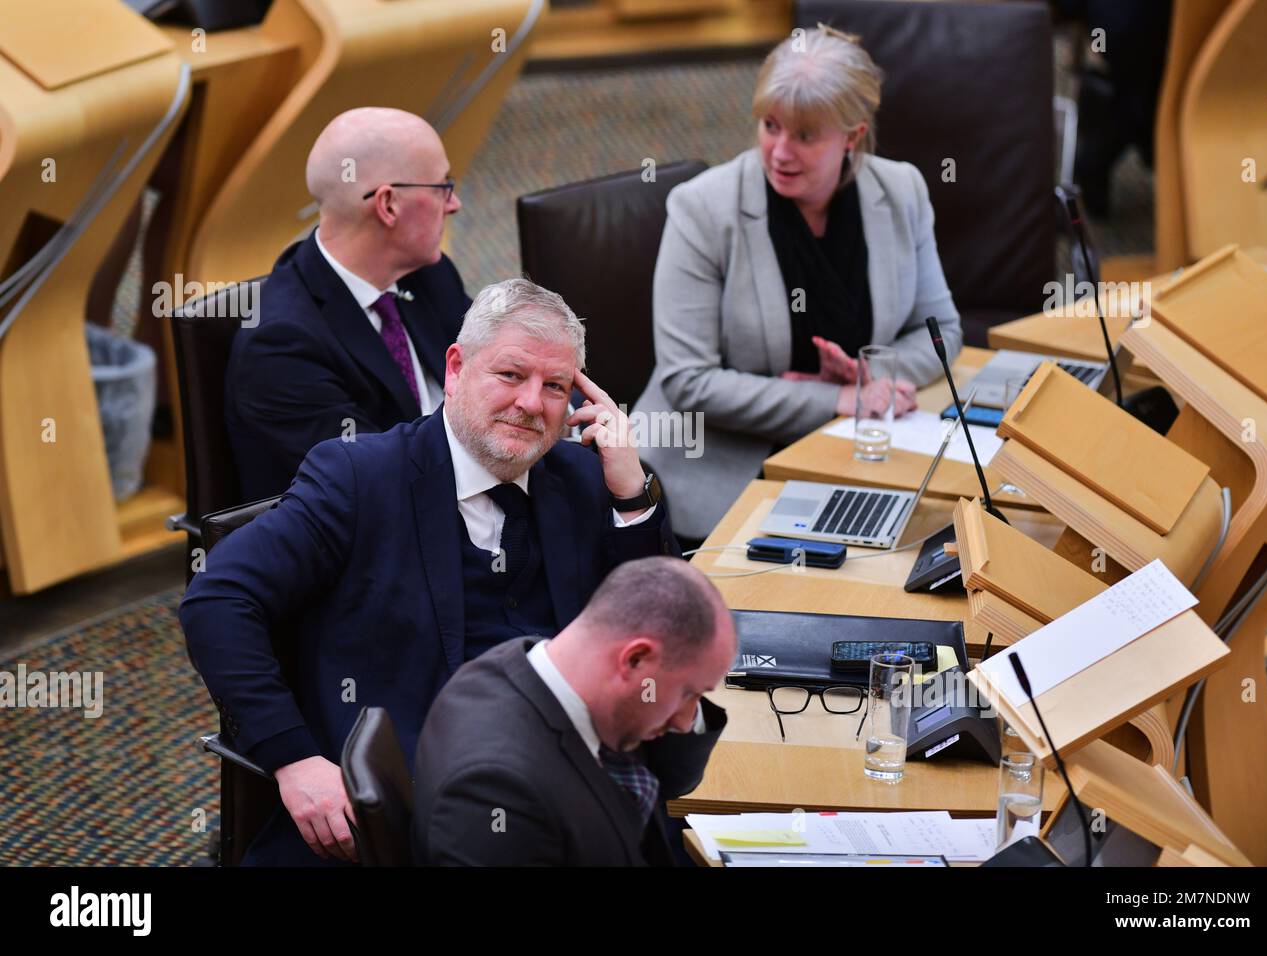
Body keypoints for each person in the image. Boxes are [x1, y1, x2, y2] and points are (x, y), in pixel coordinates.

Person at [179, 278, 678, 866]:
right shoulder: (359, 478)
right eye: (511, 375)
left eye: (556, 387)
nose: (530, 403)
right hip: (412, 809)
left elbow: (659, 636)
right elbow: (218, 599)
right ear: (457, 367)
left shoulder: (580, 479)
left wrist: (631, 494)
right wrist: (293, 758)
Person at [633, 25, 963, 542]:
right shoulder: (701, 209)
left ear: (852, 136)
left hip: (861, 453)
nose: (780, 152)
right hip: (725, 469)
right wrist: (835, 401)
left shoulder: (901, 191)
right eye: (770, 126)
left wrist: (865, 377)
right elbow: (687, 381)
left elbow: (940, 330)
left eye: (805, 135)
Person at [411, 556, 734, 866]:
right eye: (688, 693)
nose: (684, 721)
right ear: (635, 659)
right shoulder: (497, 792)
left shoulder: (522, 666)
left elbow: (670, 776)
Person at [226, 107, 473, 501]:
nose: (454, 203)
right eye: (442, 186)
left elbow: (503, 362)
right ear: (388, 204)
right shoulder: (281, 346)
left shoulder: (428, 273)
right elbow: (381, 481)